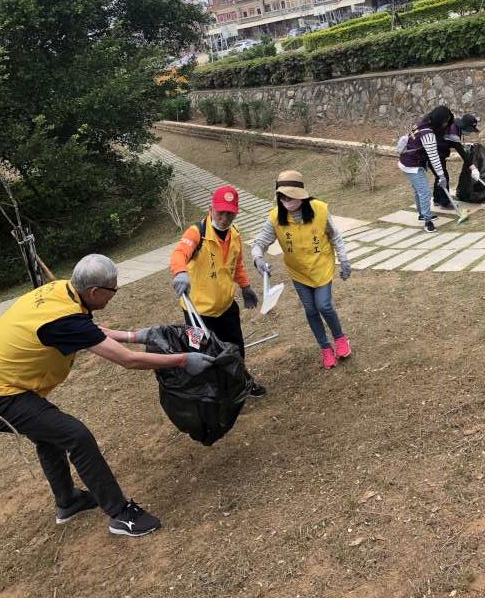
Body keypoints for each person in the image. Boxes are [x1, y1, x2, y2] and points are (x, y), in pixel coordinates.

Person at [0, 254, 212, 537]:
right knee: (75, 436)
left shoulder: (64, 292)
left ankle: (68, 501)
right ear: (94, 292)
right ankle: (120, 515)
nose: (114, 295)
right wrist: (183, 360)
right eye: (113, 290)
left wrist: (137, 335)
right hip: (5, 396)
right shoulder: (64, 318)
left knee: (49, 436)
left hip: (13, 384)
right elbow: (128, 361)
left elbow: (90, 331)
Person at [169, 185, 266, 397]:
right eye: (220, 212)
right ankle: (212, 391)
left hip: (225, 307)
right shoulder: (197, 233)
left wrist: (245, 286)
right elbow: (179, 253)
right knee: (201, 352)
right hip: (196, 313)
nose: (224, 218)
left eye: (229, 213)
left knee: (236, 348)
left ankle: (241, 382)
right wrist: (180, 272)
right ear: (210, 209)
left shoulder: (235, 234)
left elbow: (237, 264)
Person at [251, 170, 351, 371]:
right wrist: (257, 258)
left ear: (300, 195)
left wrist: (344, 260)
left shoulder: (319, 209)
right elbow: (260, 242)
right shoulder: (275, 217)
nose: (286, 200)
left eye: (289, 196)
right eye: (282, 196)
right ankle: (325, 348)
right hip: (299, 273)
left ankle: (340, 338)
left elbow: (335, 237)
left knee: (324, 306)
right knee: (311, 310)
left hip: (321, 267)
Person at [398, 105, 454, 233]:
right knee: (425, 192)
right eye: (445, 121)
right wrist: (441, 175)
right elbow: (434, 157)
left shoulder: (421, 123)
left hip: (407, 161)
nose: (446, 124)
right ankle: (428, 222)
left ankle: (422, 214)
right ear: (440, 120)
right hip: (412, 165)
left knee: (419, 191)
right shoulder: (428, 134)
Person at [431, 113, 481, 207]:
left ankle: (437, 199)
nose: (470, 132)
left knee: (439, 175)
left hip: (438, 152)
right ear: (465, 126)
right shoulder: (453, 131)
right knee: (443, 176)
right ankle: (445, 202)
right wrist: (473, 167)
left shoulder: (455, 127)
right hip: (433, 153)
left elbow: (455, 143)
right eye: (469, 130)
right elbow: (461, 152)